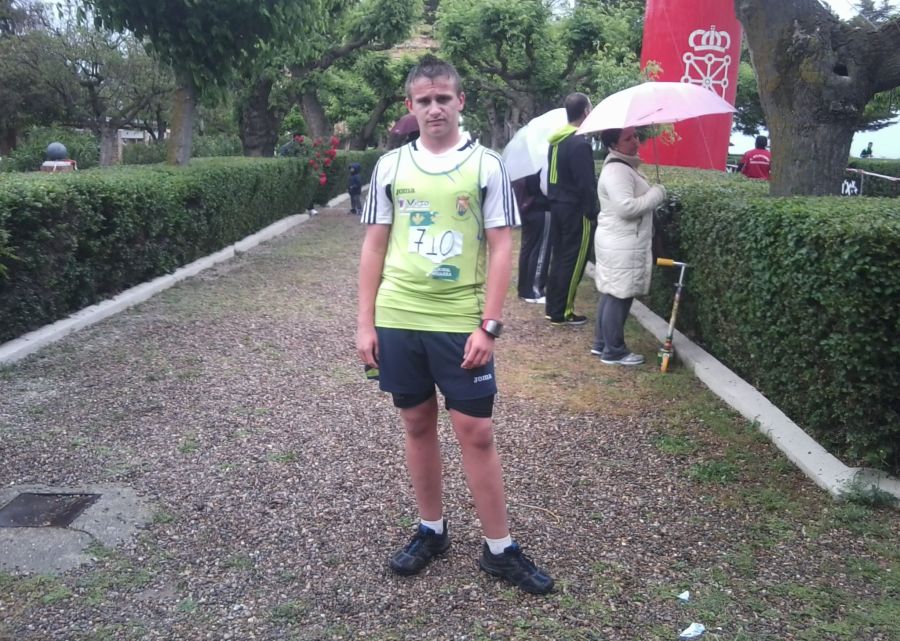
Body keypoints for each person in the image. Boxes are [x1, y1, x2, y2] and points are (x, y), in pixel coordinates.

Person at [356, 55, 554, 595]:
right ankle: (431, 530)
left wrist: (489, 326)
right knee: (416, 423)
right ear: (411, 106)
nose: (435, 108)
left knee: (477, 431)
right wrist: (365, 323)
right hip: (399, 317)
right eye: (424, 100)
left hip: (459, 320)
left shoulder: (486, 165)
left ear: (460, 101)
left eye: (444, 98)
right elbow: (373, 246)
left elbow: (501, 248)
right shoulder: (391, 166)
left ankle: (499, 549)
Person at [591, 127, 666, 366]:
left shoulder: (623, 166)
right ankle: (614, 351)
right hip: (622, 242)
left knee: (612, 292)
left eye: (635, 136)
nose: (635, 141)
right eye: (628, 138)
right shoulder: (617, 171)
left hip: (619, 240)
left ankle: (602, 343)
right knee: (620, 295)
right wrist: (657, 194)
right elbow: (626, 207)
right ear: (614, 145)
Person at [545, 93, 599, 326]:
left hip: (557, 205)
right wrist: (592, 211)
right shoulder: (580, 143)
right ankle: (564, 311)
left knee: (559, 257)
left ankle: (553, 308)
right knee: (574, 259)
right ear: (586, 112)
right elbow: (586, 183)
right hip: (575, 210)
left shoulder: (557, 140)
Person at [513, 171, 551, 303]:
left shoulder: (524, 167)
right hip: (540, 209)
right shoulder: (542, 166)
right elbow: (545, 189)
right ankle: (534, 291)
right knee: (540, 250)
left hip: (526, 209)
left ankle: (524, 289)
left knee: (527, 249)